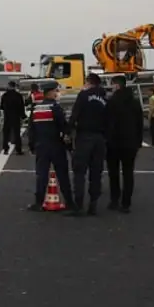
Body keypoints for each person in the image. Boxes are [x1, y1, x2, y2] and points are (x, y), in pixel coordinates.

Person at [27, 82, 73, 212]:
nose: (57, 93)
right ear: (50, 92)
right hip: (56, 145)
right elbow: (63, 126)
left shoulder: (36, 108)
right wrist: (68, 141)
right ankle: (69, 202)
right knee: (62, 175)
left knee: (41, 174)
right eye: (55, 91)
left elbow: (31, 129)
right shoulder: (55, 107)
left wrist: (32, 145)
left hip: (41, 146)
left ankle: (38, 203)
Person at [68, 73, 107, 216]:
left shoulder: (83, 96)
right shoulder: (105, 98)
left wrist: (67, 131)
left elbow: (74, 115)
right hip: (100, 139)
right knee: (96, 172)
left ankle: (78, 205)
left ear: (88, 82)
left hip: (84, 137)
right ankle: (93, 204)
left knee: (79, 172)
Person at [105, 75, 143, 213]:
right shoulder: (134, 102)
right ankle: (126, 203)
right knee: (128, 173)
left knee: (113, 173)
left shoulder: (111, 102)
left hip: (114, 143)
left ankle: (114, 200)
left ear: (116, 85)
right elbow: (140, 124)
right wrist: (138, 142)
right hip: (130, 143)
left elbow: (107, 123)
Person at [0, 81, 25, 155]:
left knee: (6, 133)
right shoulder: (18, 95)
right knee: (17, 133)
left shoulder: (5, 95)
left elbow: (1, 106)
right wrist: (22, 116)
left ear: (9, 86)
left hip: (7, 116)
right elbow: (21, 107)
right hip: (16, 116)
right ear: (15, 87)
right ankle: (18, 149)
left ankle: (5, 149)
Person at [25, 83, 44, 154]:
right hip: (43, 113)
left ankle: (32, 148)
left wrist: (29, 96)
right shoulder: (42, 94)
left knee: (32, 131)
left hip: (35, 114)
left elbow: (26, 103)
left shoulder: (32, 95)